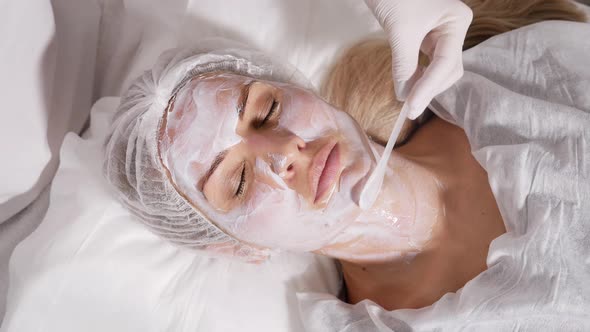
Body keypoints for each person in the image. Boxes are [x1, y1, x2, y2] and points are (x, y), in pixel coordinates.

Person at [104, 0, 587, 311]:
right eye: (237, 182)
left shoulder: (524, 71)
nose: (283, 152)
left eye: (267, 109)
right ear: (238, 247)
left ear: (299, 86)